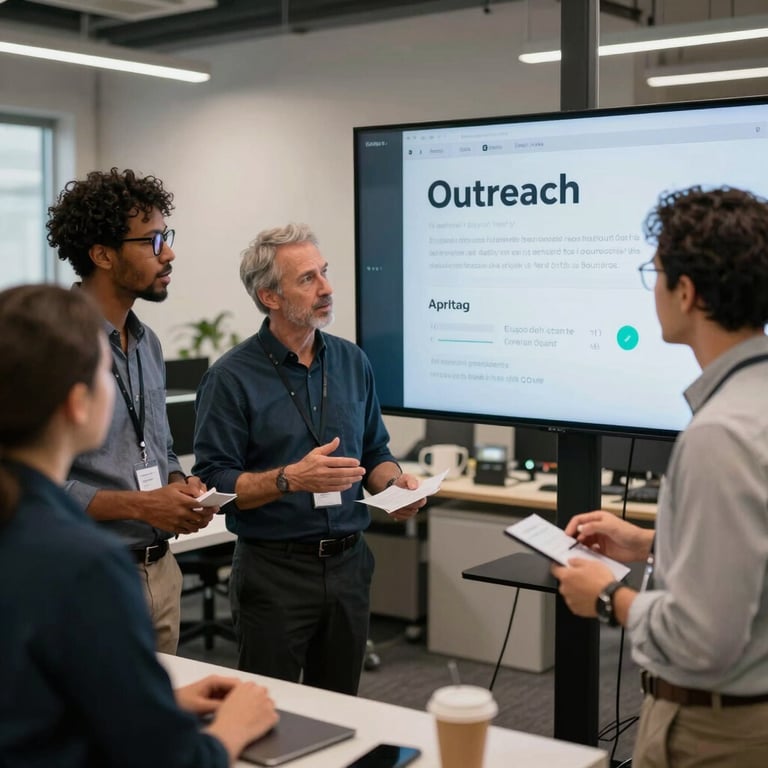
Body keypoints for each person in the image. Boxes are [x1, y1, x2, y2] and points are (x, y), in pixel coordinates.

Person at [0, 284, 278, 766]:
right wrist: (235, 727)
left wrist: (156, 702)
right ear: (78, 403)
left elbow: (30, 700)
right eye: (103, 372)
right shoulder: (83, 564)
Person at [552, 186, 768, 767]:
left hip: (716, 734)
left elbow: (703, 637)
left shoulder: (720, 433)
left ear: (686, 292)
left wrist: (607, 598)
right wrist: (652, 542)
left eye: (655, 273)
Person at [193, 223, 425, 694]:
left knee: (341, 706)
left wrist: (394, 485)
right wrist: (290, 479)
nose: (326, 288)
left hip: (349, 565)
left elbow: (375, 452)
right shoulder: (230, 378)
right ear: (270, 297)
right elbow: (215, 482)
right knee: (266, 708)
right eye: (307, 279)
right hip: (274, 571)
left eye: (324, 272)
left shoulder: (351, 361)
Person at [46, 168, 217, 654]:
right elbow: (31, 484)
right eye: (152, 240)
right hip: (88, 575)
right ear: (102, 255)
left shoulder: (147, 344)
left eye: (167, 236)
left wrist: (179, 484)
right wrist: (142, 505)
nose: (169, 253)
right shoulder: (54, 345)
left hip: (160, 571)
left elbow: (159, 446)